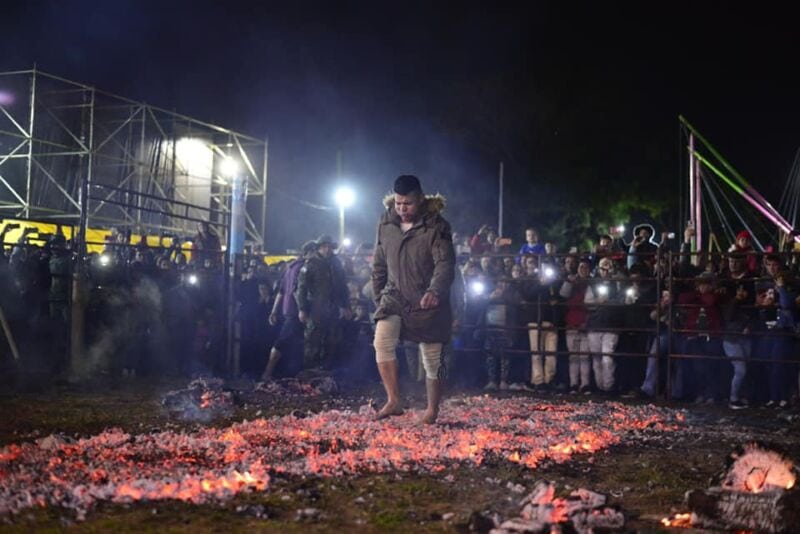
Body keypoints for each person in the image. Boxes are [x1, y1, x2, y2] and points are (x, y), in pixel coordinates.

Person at [371, 174, 455, 424]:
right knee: (381, 341)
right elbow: (379, 262)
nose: (402, 209)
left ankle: (432, 409)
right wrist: (378, 295)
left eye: (407, 204)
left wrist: (435, 291)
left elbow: (445, 263)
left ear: (420, 199)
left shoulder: (437, 226)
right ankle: (394, 400)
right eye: (398, 203)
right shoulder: (386, 223)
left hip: (426, 298)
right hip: (393, 295)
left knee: (433, 358)